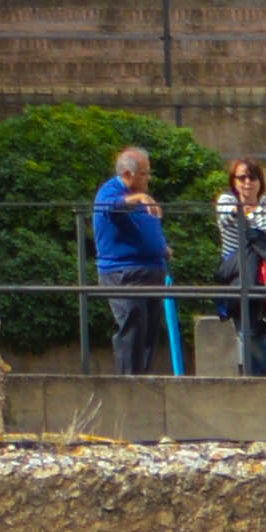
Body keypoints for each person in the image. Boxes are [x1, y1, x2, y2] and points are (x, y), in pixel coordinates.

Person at [94, 139, 176, 371]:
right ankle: (128, 383)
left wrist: (161, 247)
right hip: (123, 273)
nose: (148, 178)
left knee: (149, 330)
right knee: (133, 325)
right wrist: (138, 199)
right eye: (144, 173)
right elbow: (109, 208)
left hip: (151, 270)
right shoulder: (111, 191)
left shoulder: (137, 194)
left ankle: (143, 379)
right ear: (128, 174)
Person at [223, 161, 266, 374]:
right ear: (233, 182)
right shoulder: (227, 201)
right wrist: (253, 213)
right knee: (247, 331)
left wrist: (261, 214)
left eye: (252, 177)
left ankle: (261, 387)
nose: (247, 182)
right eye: (242, 177)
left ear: (260, 181)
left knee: (264, 332)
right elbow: (232, 217)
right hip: (238, 276)